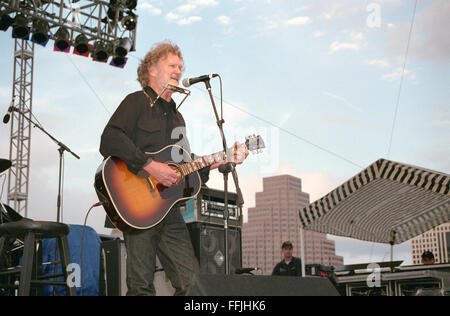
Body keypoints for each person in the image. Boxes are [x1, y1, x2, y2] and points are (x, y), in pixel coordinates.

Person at [99, 41, 248, 296]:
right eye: (172, 65)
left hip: (168, 209)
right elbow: (109, 139)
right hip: (137, 207)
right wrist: (149, 166)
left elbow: (183, 164)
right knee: (140, 287)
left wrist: (221, 159)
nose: (179, 70)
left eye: (181, 66)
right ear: (152, 70)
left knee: (192, 284)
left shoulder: (178, 117)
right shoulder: (135, 102)